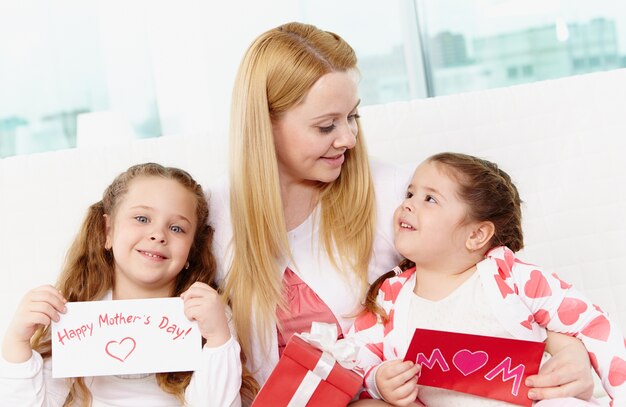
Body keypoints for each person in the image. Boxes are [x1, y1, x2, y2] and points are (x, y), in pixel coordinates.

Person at [208, 21, 595, 402]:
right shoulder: (212, 217)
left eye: (352, 117)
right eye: (326, 126)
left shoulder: (396, 194)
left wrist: (568, 351)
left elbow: (490, 286)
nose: (348, 139)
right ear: (266, 125)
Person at [348, 152, 626, 406]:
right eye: (409, 193)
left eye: (429, 198)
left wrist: (616, 392)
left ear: (476, 235)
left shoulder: (509, 277)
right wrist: (379, 381)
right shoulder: (391, 295)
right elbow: (355, 358)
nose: (407, 205)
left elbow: (592, 323)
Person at [0, 163, 249, 406]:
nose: (158, 235)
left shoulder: (210, 317)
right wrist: (17, 343)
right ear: (108, 231)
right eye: (142, 218)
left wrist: (218, 340)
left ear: (191, 251)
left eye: (176, 228)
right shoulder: (72, 315)